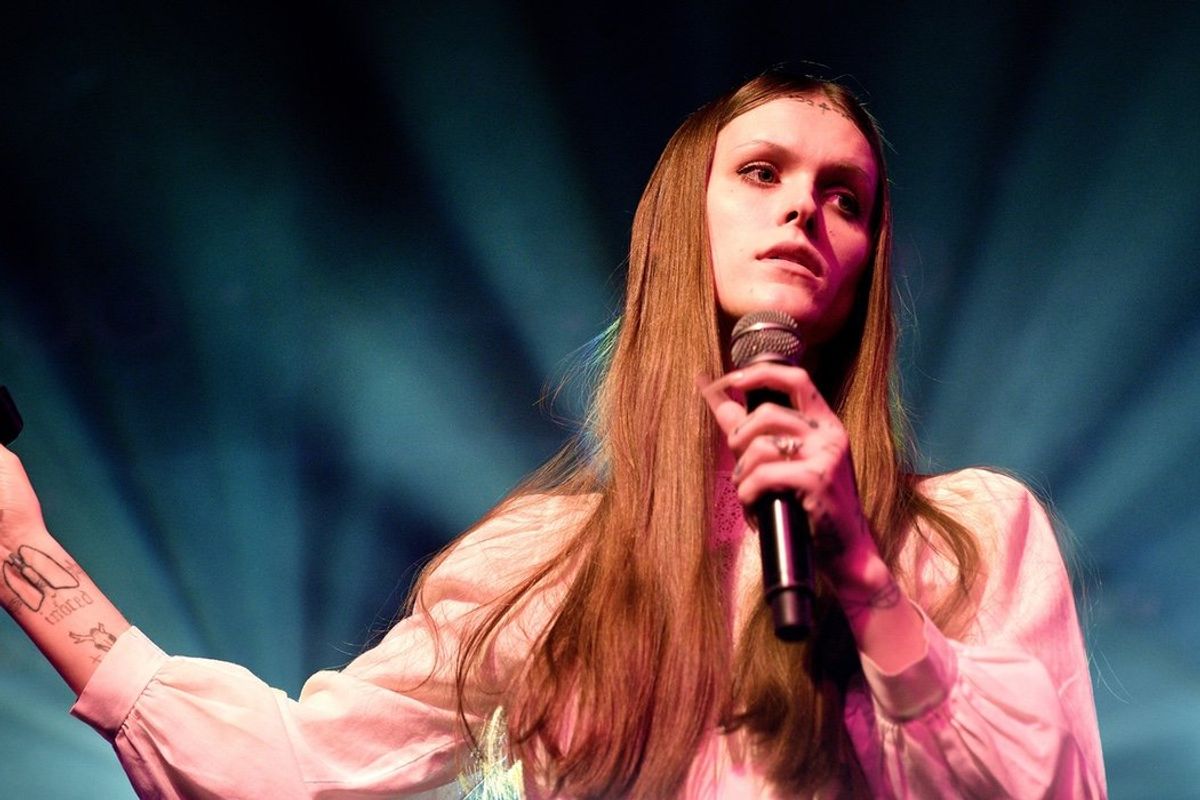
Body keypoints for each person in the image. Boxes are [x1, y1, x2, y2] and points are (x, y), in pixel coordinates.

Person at [0, 71, 1106, 798]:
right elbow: (295, 770)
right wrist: (21, 551)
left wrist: (862, 574)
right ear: (681, 223)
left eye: (846, 197)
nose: (802, 210)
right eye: (762, 172)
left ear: (866, 263)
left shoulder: (969, 535)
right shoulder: (544, 566)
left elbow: (1041, 784)